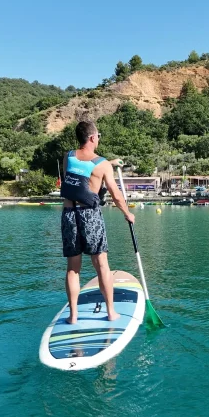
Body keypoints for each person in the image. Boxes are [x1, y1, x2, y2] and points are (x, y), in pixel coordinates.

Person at [60, 121, 135, 324]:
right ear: (93, 138)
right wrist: (127, 213)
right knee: (101, 264)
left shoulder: (68, 157)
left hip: (69, 214)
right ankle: (111, 312)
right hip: (90, 216)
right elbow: (116, 194)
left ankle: (73, 316)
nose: (99, 139)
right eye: (98, 136)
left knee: (73, 268)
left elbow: (80, 172)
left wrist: (109, 163)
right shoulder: (102, 165)